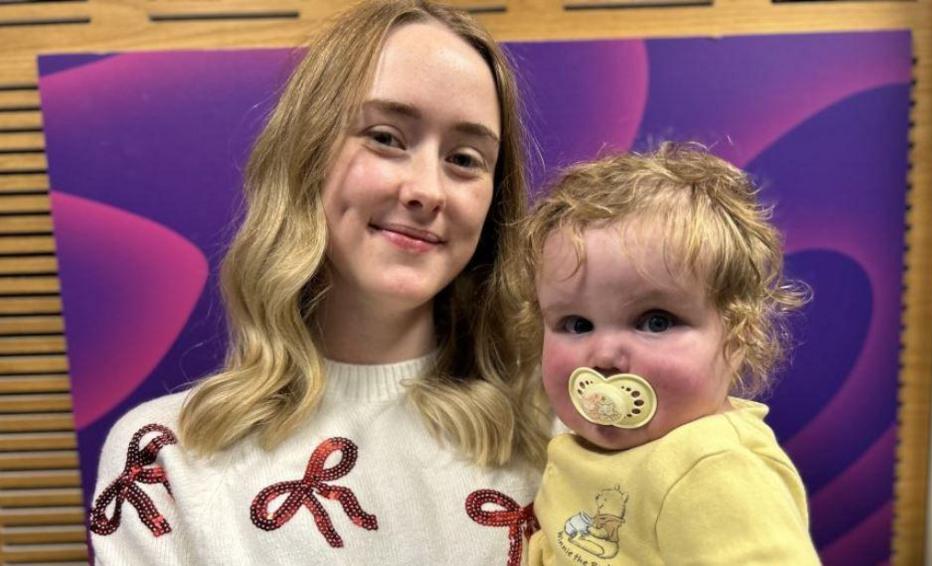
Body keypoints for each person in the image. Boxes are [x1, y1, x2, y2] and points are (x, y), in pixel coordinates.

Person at [88, 1, 552, 563]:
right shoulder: (164, 459)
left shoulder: (558, 437)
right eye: (386, 137)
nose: (427, 189)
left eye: (464, 158)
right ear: (307, 154)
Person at [508, 143, 821, 564]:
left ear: (737, 336)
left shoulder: (710, 466)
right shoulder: (577, 445)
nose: (602, 355)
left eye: (655, 321)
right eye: (577, 324)